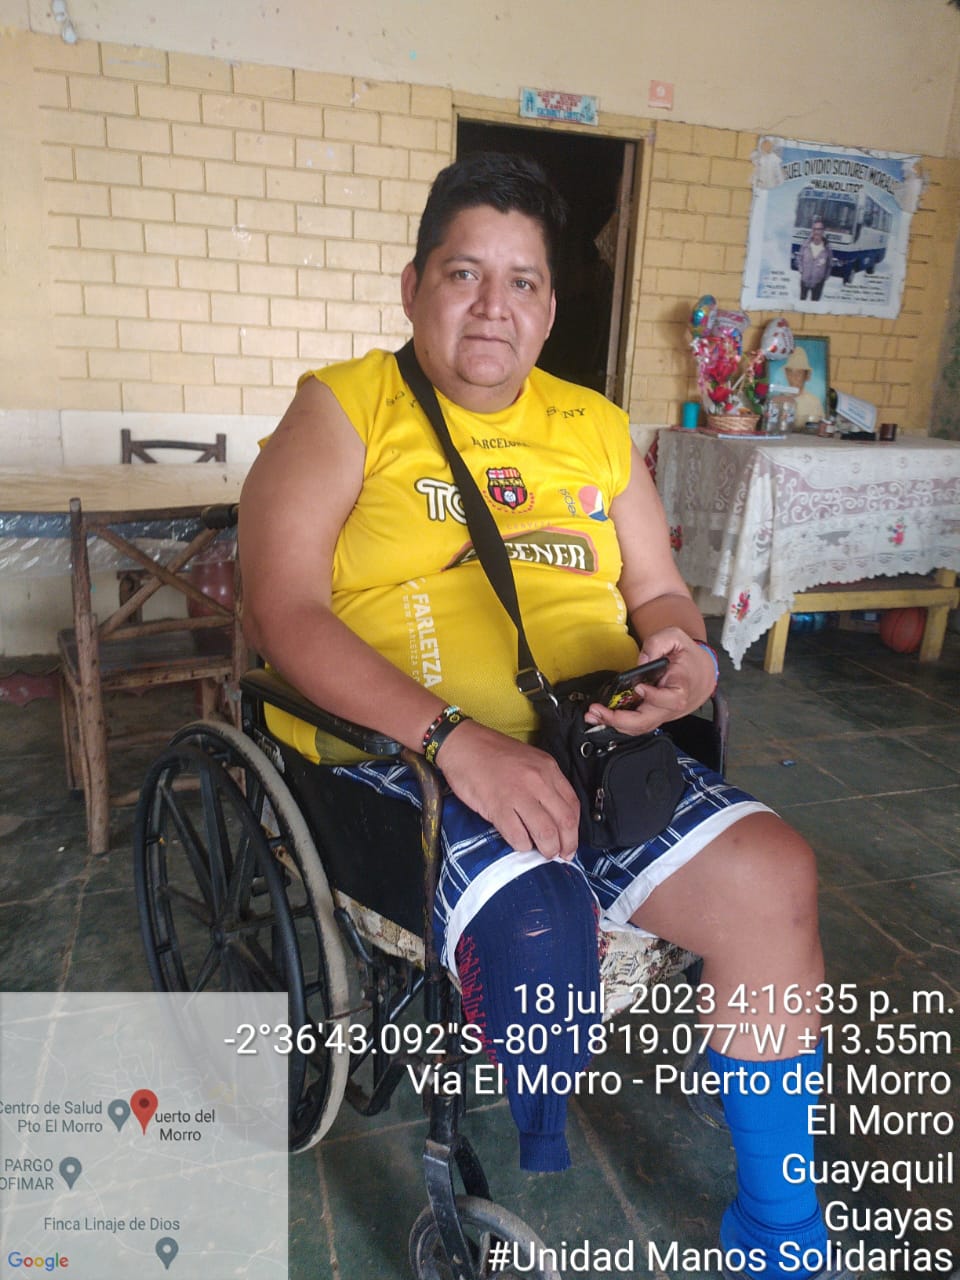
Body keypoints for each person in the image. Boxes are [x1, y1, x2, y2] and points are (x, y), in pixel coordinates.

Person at [240, 153, 852, 1280]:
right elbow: (283, 611)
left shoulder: (596, 427)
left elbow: (657, 590)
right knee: (539, 936)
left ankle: (780, 1228)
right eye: (464, 273)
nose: (493, 305)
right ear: (414, 286)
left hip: (592, 738)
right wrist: (452, 740)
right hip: (399, 756)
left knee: (776, 877)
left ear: (551, 306)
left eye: (522, 281)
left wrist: (685, 658)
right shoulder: (345, 407)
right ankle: (535, 1029)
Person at [784, 347, 826, 425]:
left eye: (799, 373)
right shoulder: (780, 400)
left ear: (807, 375)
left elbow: (819, 426)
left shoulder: (814, 403)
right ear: (786, 374)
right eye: (790, 372)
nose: (794, 377)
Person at [797, 218, 833, 301]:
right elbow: (799, 258)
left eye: (819, 229)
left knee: (815, 305)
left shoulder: (827, 248)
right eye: (814, 229)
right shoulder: (805, 245)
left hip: (818, 283)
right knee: (802, 302)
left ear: (823, 231)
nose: (816, 232)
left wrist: (825, 277)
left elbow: (829, 264)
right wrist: (801, 270)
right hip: (804, 280)